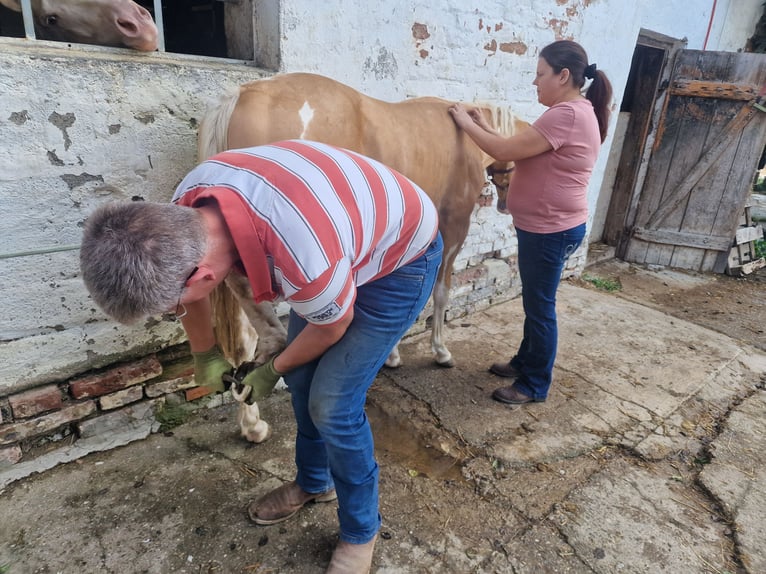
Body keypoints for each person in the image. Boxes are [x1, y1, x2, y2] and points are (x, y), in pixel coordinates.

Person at [79, 140, 442, 573]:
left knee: (334, 405)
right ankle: (314, 482)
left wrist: (271, 369)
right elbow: (192, 290)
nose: (177, 310)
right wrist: (205, 355)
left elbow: (332, 325)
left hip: (401, 259)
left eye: (171, 307)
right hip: (339, 236)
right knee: (304, 380)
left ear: (205, 275)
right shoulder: (181, 215)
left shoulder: (303, 255)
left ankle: (360, 531)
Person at [449, 40, 613, 405]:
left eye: (540, 75)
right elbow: (517, 146)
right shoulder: (577, 111)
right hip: (553, 227)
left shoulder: (566, 114)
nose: (535, 83)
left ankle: (534, 384)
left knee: (540, 308)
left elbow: (504, 152)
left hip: (550, 231)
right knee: (536, 301)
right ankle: (525, 361)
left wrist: (463, 122)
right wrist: (483, 125)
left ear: (564, 75)